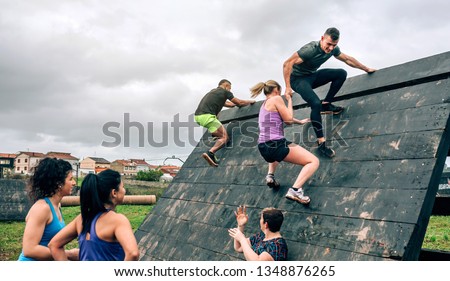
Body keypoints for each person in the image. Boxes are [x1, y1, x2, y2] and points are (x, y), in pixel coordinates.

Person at [283, 27, 376, 158]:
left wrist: (366, 69)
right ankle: (321, 143)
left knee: (341, 73)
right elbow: (287, 64)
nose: (331, 48)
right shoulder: (310, 49)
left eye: (334, 45)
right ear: (322, 38)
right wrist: (287, 87)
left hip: (312, 76)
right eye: (328, 44)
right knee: (315, 103)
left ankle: (326, 104)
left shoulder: (333, 50)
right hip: (298, 80)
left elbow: (347, 59)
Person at [251, 80, 319, 204]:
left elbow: (281, 117)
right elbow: (287, 120)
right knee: (313, 161)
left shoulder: (264, 105)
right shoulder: (276, 98)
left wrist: (300, 121)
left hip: (263, 146)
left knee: (277, 154)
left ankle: (270, 175)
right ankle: (295, 190)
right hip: (276, 144)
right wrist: (289, 100)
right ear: (277, 90)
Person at [48, 169, 139, 261]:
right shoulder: (118, 220)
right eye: (123, 187)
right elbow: (133, 253)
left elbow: (54, 245)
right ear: (114, 193)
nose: (124, 190)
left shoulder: (82, 219)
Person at [18, 157, 79, 261]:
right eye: (70, 179)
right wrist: (68, 254)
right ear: (58, 184)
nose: (74, 183)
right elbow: (29, 249)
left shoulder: (56, 205)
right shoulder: (42, 208)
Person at [195, 79, 256, 167]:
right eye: (230, 88)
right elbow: (239, 102)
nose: (230, 90)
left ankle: (215, 134)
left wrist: (234, 105)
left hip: (198, 117)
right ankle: (210, 153)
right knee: (225, 137)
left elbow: (228, 104)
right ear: (226, 86)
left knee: (217, 125)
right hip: (208, 117)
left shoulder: (213, 92)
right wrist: (250, 101)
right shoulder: (225, 92)